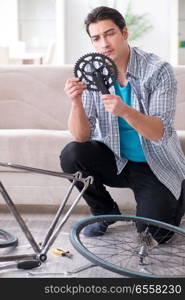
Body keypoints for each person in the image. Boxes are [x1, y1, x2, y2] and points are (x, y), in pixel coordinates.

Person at [60, 6, 185, 242]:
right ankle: (105, 213)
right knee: (72, 153)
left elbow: (158, 132)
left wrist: (125, 111)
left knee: (154, 237)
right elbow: (81, 136)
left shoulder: (158, 71)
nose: (104, 43)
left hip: (154, 164)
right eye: (96, 38)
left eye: (110, 34)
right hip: (116, 159)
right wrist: (76, 103)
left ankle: (177, 195)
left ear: (124, 33)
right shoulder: (92, 72)